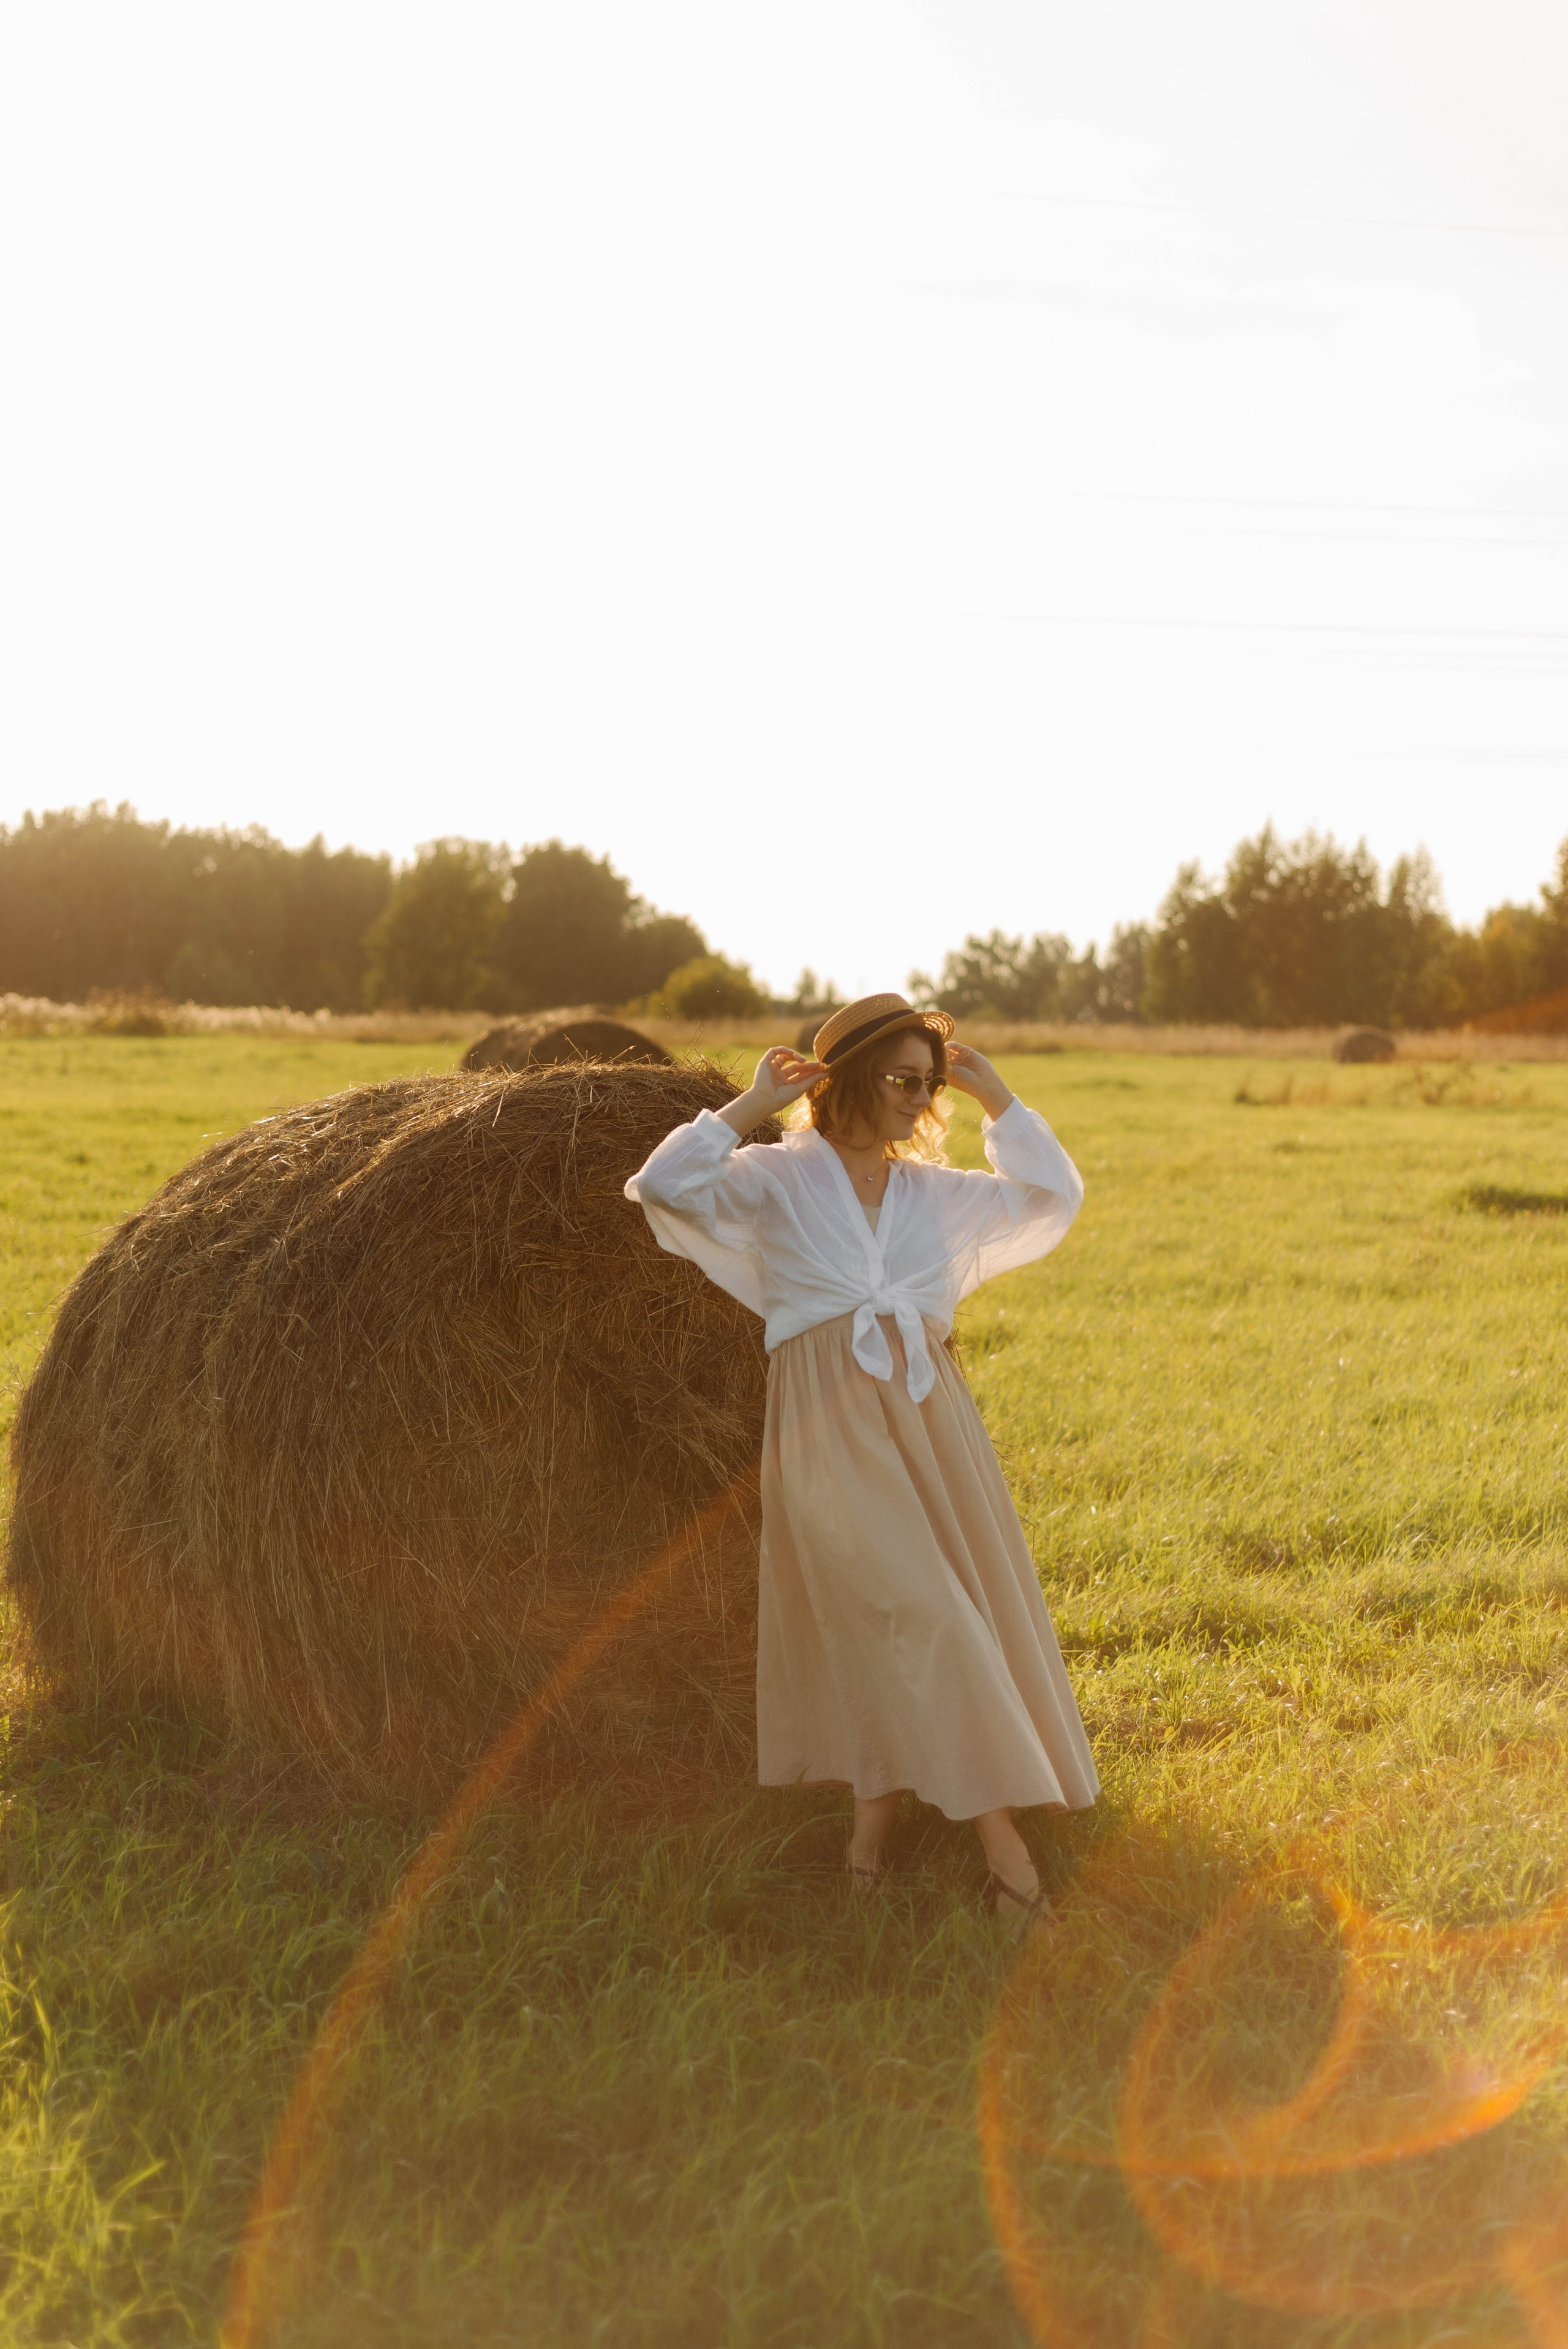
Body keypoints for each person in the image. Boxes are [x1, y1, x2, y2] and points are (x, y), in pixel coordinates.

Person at [624, 990, 1098, 1932]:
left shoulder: (933, 1192)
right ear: (845, 1080)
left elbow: (1054, 1200)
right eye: (901, 1079)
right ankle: (1009, 1866)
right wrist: (749, 1105)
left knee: (912, 1625)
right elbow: (663, 1187)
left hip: (930, 1422)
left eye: (928, 1086)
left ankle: (866, 1851)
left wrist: (998, 1097)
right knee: (923, 1618)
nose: (918, 1102)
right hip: (826, 1427)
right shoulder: (777, 1175)